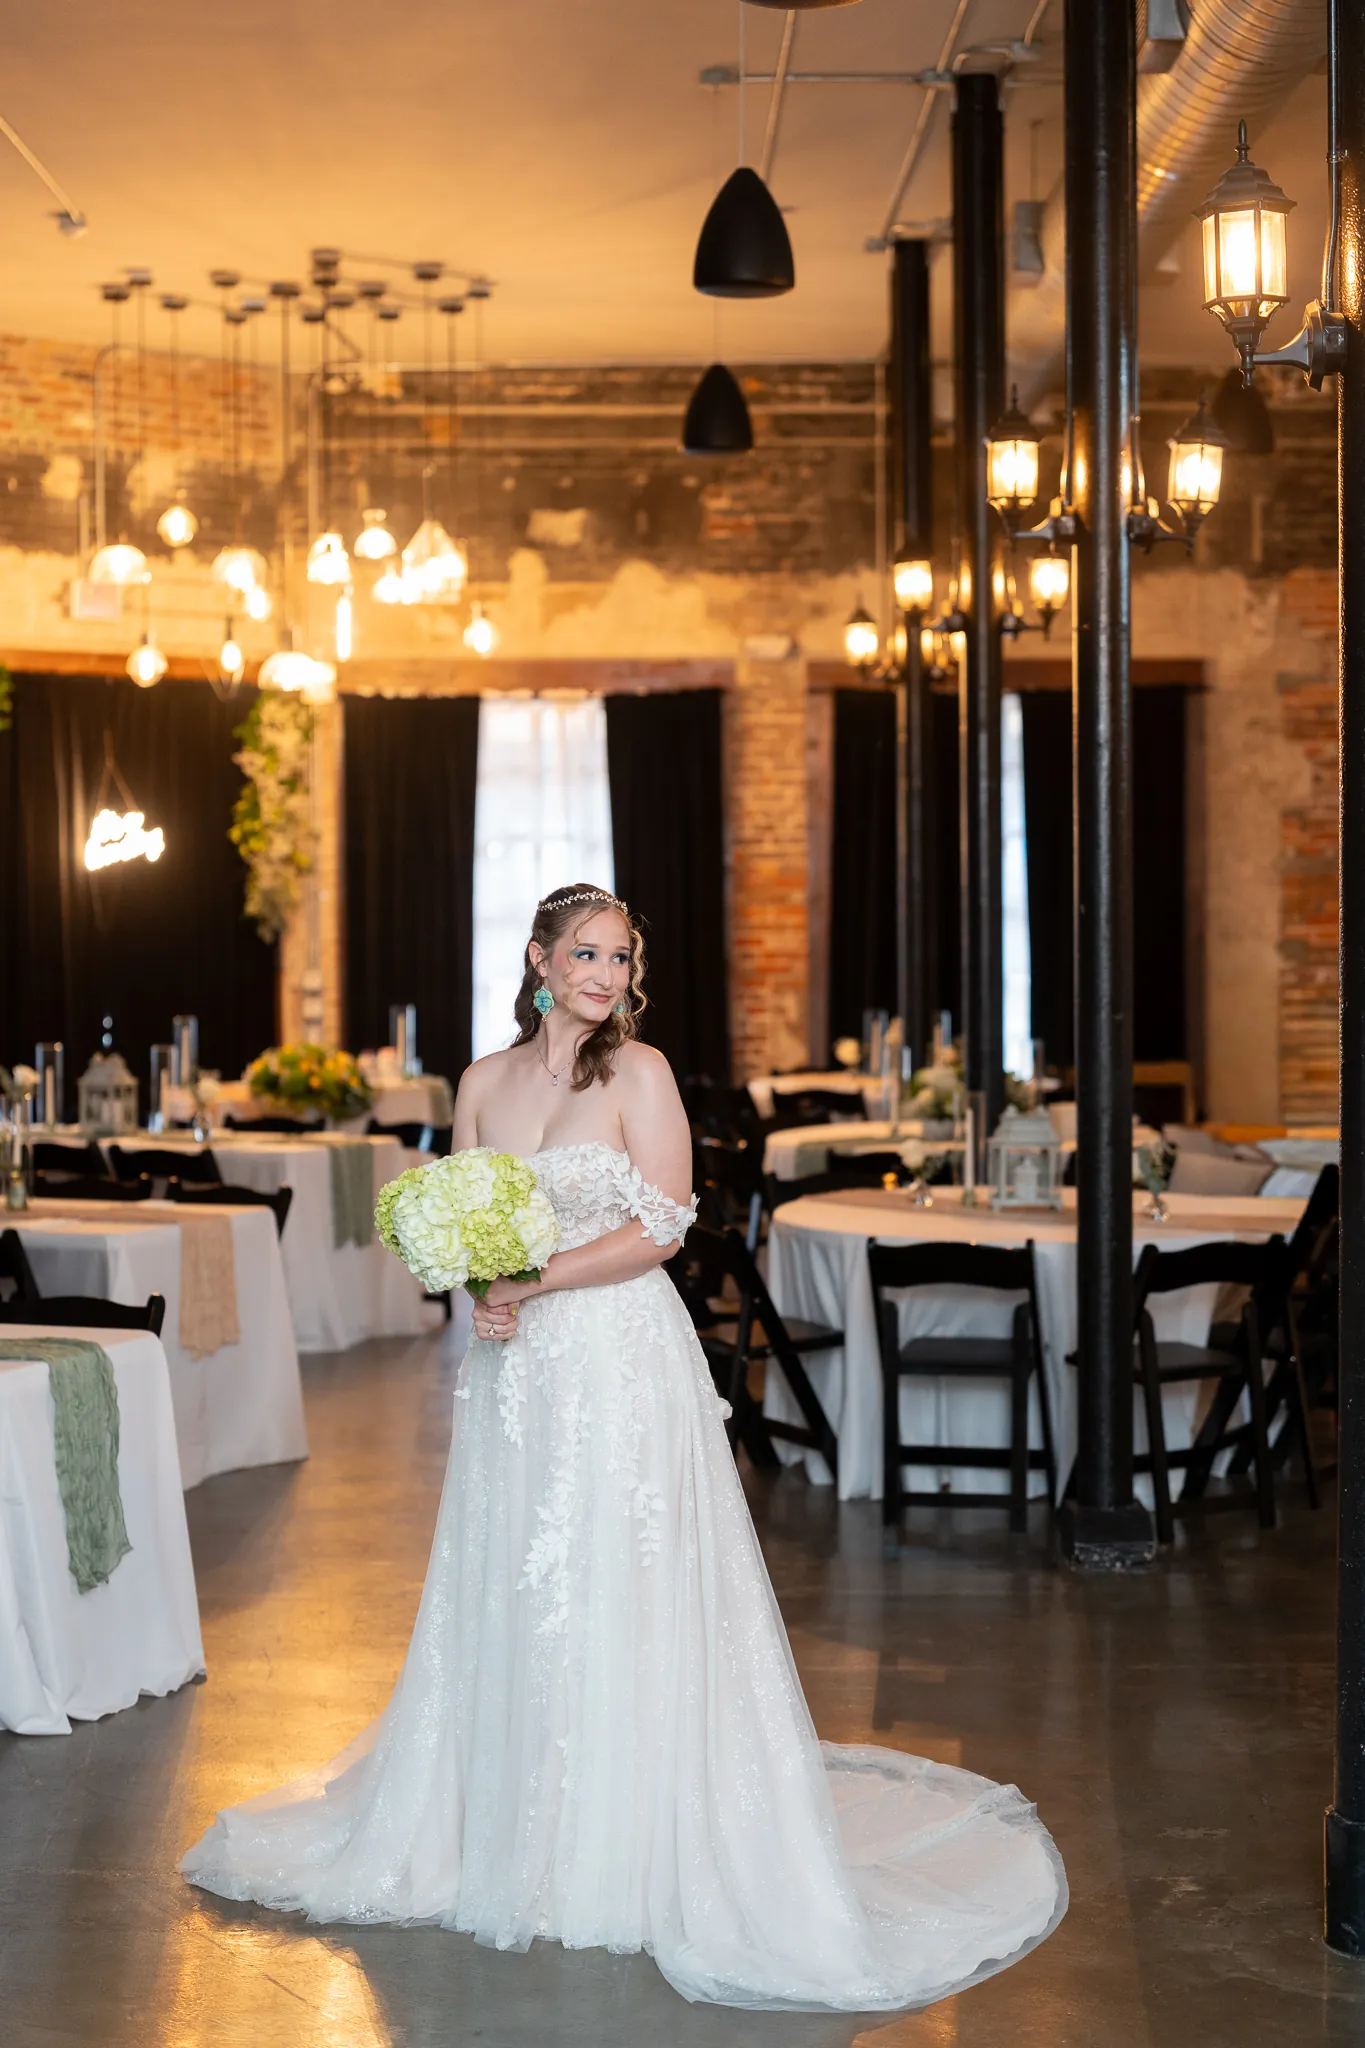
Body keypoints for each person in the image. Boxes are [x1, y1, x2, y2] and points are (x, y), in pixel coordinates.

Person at [181, 883, 1065, 2010]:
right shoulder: (481, 1082)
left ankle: (624, 1836)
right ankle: (509, 1823)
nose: (605, 975)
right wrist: (481, 1290)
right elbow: (463, 1212)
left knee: (619, 1576)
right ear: (540, 958)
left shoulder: (640, 1074)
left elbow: (662, 1224)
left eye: (620, 958)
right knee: (515, 1572)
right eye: (587, 953)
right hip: (515, 1372)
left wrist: (534, 1280)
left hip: (619, 1359)